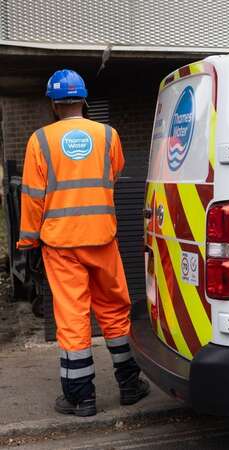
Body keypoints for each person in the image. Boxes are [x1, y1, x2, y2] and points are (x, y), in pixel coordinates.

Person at [16, 69, 149, 417]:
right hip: (102, 238)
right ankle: (130, 385)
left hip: (61, 245)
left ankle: (81, 397)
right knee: (115, 311)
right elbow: (113, 173)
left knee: (73, 317)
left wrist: (29, 242)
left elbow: (32, 197)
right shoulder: (108, 135)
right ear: (83, 100)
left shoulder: (39, 140)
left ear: (53, 104)